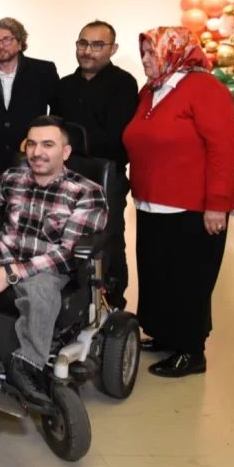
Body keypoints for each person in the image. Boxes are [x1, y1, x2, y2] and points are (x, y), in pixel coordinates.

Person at [0, 116, 108, 410]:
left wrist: (12, 273)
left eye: (48, 145)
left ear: (66, 152)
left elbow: (67, 253)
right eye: (32, 144)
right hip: (4, 251)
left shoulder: (86, 192)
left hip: (47, 266)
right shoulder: (14, 177)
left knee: (40, 291)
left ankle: (26, 365)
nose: (37, 152)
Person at [123, 26, 234, 378]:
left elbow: (223, 150)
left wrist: (217, 204)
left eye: (151, 53)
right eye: (143, 53)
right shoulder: (151, 90)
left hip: (192, 208)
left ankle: (191, 351)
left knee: (189, 281)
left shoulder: (205, 88)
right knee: (157, 274)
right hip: (150, 204)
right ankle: (164, 334)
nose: (145, 60)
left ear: (172, 53)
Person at [52, 20, 139, 308]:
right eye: (83, 43)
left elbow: (116, 138)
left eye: (97, 45)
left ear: (113, 49)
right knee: (66, 236)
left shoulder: (124, 84)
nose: (87, 51)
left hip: (107, 179)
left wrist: (72, 142)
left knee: (108, 239)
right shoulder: (64, 85)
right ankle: (74, 302)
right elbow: (57, 130)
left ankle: (113, 303)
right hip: (66, 178)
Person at [0, 17, 60, 179]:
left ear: (20, 43)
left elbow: (58, 113)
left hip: (33, 156)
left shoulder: (43, 70)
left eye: (7, 39)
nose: (1, 45)